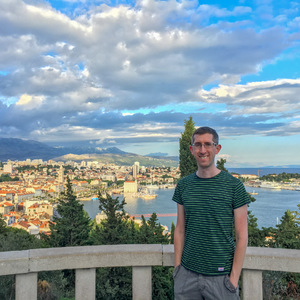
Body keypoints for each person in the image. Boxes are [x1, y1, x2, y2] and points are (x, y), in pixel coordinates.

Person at [173, 126, 250, 300]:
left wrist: (233, 280)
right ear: (192, 149)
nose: (203, 150)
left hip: (221, 279)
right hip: (186, 276)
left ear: (217, 148)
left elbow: (242, 236)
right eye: (198, 145)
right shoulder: (183, 185)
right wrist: (178, 269)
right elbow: (179, 230)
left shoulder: (234, 187)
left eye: (208, 144)